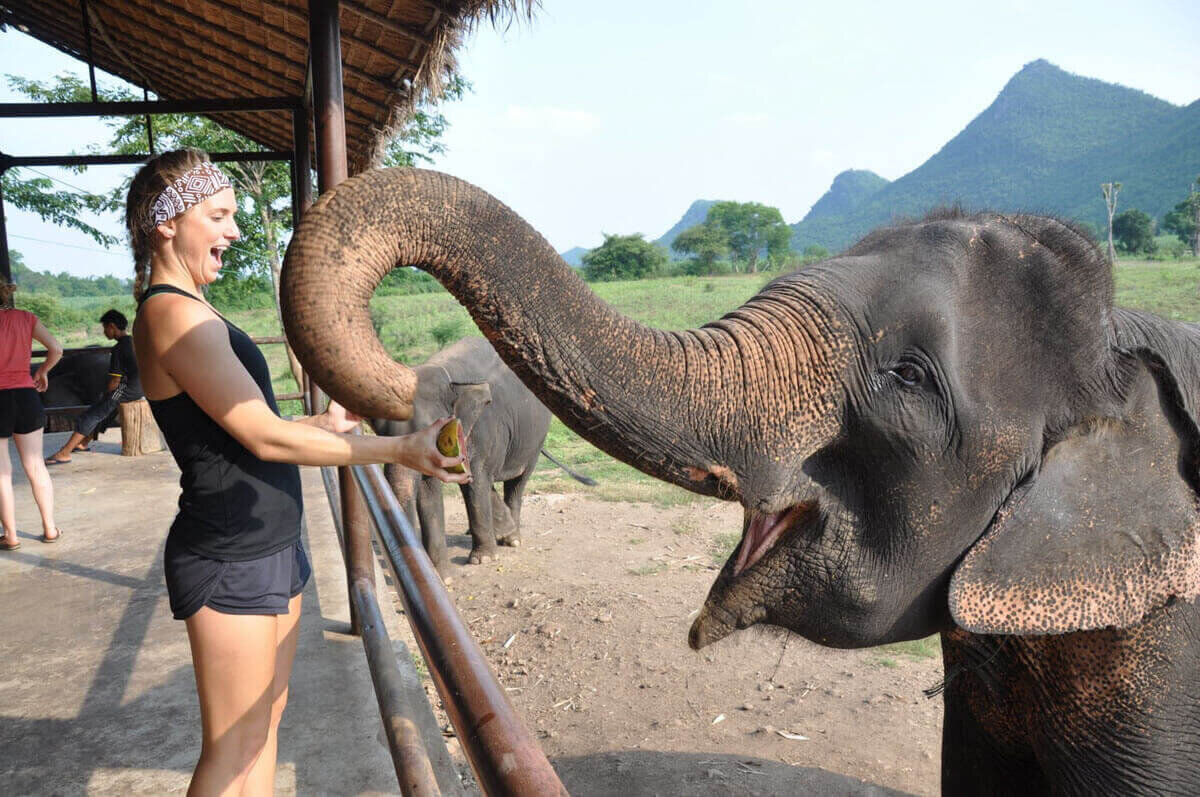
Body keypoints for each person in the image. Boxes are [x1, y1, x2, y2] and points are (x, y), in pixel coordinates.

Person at [127, 148, 469, 795]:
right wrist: (397, 450)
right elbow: (263, 435)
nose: (233, 230)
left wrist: (325, 428)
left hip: (270, 544)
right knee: (230, 750)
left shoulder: (194, 308)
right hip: (230, 556)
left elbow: (247, 428)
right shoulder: (169, 312)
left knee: (263, 728)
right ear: (166, 222)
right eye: (219, 214)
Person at [0, 281, 63, 549]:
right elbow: (56, 349)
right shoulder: (25, 318)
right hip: (26, 396)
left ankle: (11, 536)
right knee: (35, 465)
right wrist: (42, 371)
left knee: (1, 472)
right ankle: (50, 529)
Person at [45, 309, 143, 464]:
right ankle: (84, 443)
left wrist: (106, 394)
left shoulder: (119, 349)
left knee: (91, 414)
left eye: (105, 328)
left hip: (124, 389)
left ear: (112, 326)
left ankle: (64, 452)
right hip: (137, 387)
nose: (105, 332)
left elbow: (114, 382)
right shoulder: (132, 342)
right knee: (105, 410)